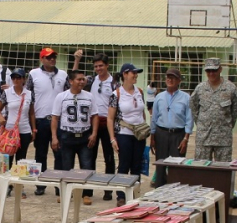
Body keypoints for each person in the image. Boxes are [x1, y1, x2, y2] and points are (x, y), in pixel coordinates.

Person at [72, 51, 119, 201]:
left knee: (109, 157)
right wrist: (77, 60)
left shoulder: (114, 83)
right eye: (96, 66)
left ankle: (108, 189)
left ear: (107, 66)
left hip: (108, 123)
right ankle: (88, 191)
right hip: (92, 123)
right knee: (89, 157)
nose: (98, 68)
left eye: (101, 66)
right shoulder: (91, 80)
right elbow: (74, 78)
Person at [51, 69, 99, 205]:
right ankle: (66, 192)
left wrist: (94, 134)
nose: (82, 81)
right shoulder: (61, 96)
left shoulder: (89, 96)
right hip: (67, 135)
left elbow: (94, 115)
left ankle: (86, 194)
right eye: (78, 79)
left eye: (83, 79)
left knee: (87, 165)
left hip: (84, 135)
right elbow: (55, 118)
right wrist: (54, 137)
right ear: (71, 81)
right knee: (66, 166)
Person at [26, 47, 69, 199]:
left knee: (60, 154)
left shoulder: (63, 75)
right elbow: (28, 96)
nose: (52, 59)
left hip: (58, 120)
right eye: (48, 57)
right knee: (40, 154)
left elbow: (69, 95)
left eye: (54, 57)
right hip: (41, 119)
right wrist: (31, 123)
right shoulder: (33, 74)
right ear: (42, 59)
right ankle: (41, 184)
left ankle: (58, 184)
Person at [107, 63, 147, 206]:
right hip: (124, 133)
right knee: (124, 165)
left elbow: (142, 112)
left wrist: (144, 127)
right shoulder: (116, 94)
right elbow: (110, 118)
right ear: (125, 74)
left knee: (137, 165)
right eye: (133, 73)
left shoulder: (140, 91)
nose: (136, 76)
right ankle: (121, 196)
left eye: (137, 73)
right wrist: (113, 138)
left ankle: (135, 193)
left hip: (139, 134)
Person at [190, 58, 237, 162]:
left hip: (223, 138)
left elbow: (234, 111)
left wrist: (226, 126)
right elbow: (194, 107)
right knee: (201, 170)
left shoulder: (230, 88)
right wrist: (201, 124)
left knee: (223, 171)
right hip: (203, 137)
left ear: (220, 69)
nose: (211, 73)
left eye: (214, 70)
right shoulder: (200, 88)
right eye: (208, 71)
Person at [150, 68, 193, 188]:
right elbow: (154, 117)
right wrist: (152, 136)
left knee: (177, 165)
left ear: (179, 80)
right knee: (160, 164)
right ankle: (159, 190)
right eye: (168, 77)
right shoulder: (159, 96)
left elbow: (189, 119)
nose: (169, 80)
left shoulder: (186, 98)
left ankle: (176, 192)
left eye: (173, 77)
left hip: (178, 135)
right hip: (161, 133)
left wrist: (186, 138)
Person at [0, 68, 35, 198]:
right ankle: (7, 185)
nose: (16, 80)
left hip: (24, 130)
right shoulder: (7, 93)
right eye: (14, 78)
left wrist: (33, 129)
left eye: (19, 77)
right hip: (10, 131)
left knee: (21, 159)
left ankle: (19, 186)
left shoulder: (29, 94)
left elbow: (31, 113)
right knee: (8, 159)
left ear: (24, 79)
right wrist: (0, 116)